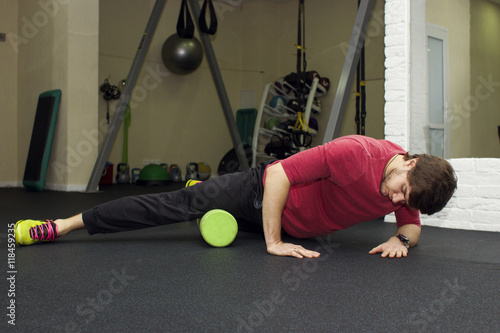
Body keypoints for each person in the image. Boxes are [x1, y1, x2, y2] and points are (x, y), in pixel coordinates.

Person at [15, 135, 457, 259]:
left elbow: (411, 223)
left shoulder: (409, 191)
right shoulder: (356, 155)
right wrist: (273, 242)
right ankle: (63, 225)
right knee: (174, 207)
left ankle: (207, 198)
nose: (398, 201)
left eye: (406, 200)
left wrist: (403, 239)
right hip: (258, 194)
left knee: (211, 216)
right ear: (409, 162)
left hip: (292, 225)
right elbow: (280, 174)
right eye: (402, 190)